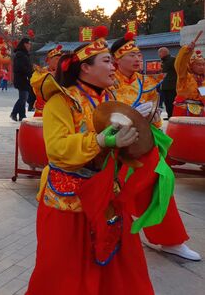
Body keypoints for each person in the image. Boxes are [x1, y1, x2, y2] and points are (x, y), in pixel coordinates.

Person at [27, 26, 155, 294]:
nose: (114, 66)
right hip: (69, 200)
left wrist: (141, 128)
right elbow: (57, 149)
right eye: (107, 61)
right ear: (85, 68)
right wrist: (99, 141)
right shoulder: (61, 102)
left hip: (107, 194)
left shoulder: (110, 98)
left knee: (120, 270)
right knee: (64, 272)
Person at [110, 33, 200, 261]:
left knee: (160, 185)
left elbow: (155, 118)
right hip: (113, 144)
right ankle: (118, 230)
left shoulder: (146, 83)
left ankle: (170, 239)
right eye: (131, 55)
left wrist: (152, 115)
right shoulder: (109, 82)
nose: (137, 58)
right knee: (121, 188)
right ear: (117, 59)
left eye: (139, 54)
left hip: (143, 143)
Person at [173, 40, 204, 116]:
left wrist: (200, 85)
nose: (202, 67)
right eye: (198, 64)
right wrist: (187, 51)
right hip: (184, 108)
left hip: (200, 110)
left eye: (203, 65)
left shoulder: (203, 79)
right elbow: (180, 64)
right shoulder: (184, 76)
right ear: (191, 65)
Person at [30, 44, 62, 117]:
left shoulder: (64, 73)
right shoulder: (40, 71)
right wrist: (50, 75)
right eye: (57, 59)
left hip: (59, 108)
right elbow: (34, 82)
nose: (59, 61)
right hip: (42, 108)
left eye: (60, 59)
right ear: (48, 60)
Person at [10, 37, 33, 121]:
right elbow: (19, 67)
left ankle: (22, 115)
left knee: (23, 97)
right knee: (23, 98)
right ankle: (14, 113)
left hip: (24, 79)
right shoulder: (20, 54)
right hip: (21, 79)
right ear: (25, 44)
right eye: (29, 44)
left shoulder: (24, 54)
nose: (30, 46)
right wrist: (28, 72)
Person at [159, 47, 177, 119]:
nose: (159, 55)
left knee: (171, 102)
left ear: (164, 52)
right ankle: (169, 115)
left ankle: (173, 116)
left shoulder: (173, 60)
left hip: (172, 85)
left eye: (159, 53)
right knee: (166, 102)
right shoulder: (163, 61)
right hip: (165, 85)